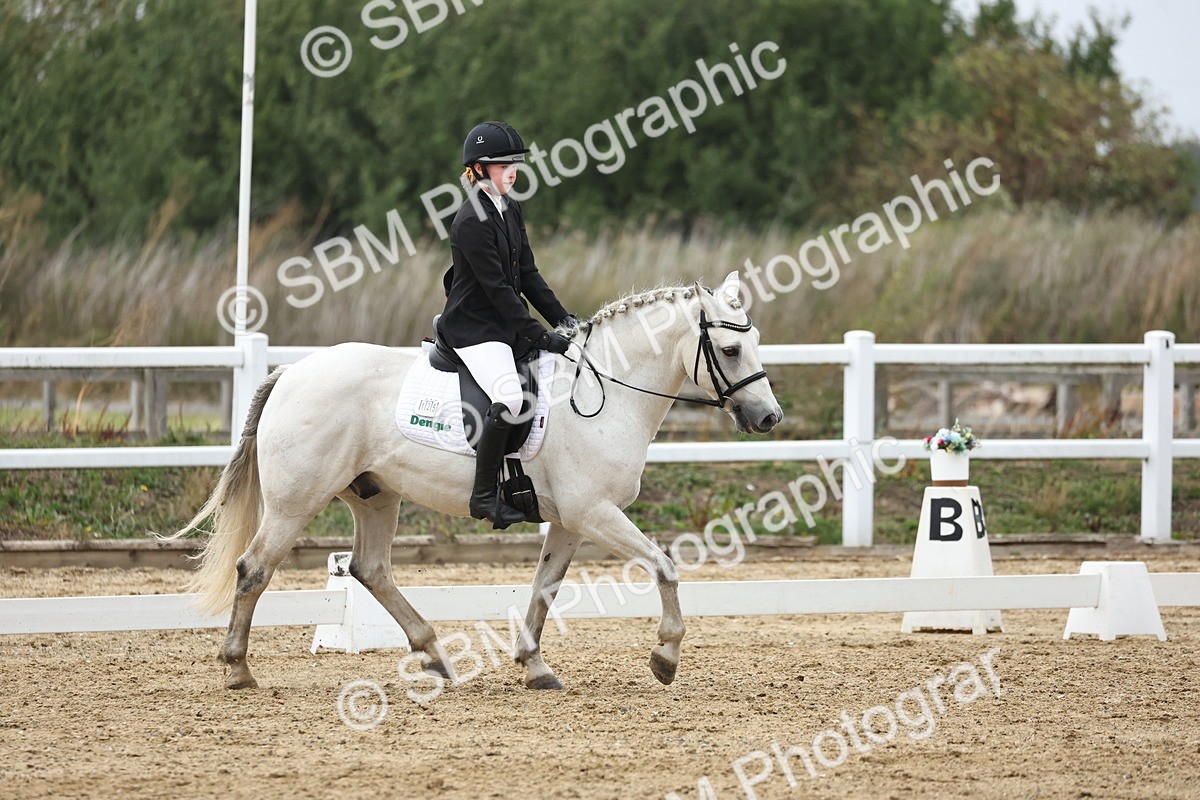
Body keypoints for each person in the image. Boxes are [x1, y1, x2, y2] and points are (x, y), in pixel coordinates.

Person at [439, 121, 575, 528]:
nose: (512, 172)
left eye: (514, 164)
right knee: (511, 398)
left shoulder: (509, 207)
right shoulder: (470, 221)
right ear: (479, 169)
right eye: (503, 166)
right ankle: (483, 496)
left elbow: (527, 274)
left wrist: (565, 320)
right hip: (475, 329)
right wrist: (539, 335)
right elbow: (498, 289)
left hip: (503, 324)